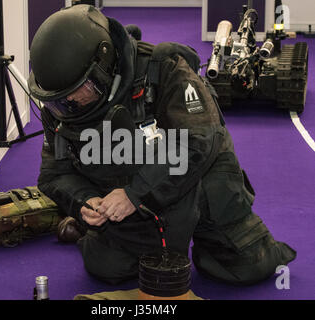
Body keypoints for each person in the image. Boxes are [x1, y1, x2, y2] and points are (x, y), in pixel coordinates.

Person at [28, 5, 296, 285]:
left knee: (247, 266)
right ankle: (90, 231)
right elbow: (54, 174)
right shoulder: (58, 101)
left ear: (102, 66)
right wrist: (83, 201)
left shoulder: (165, 68)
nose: (68, 105)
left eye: (76, 93)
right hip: (127, 192)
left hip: (196, 181)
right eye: (59, 99)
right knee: (108, 267)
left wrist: (136, 194)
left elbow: (199, 142)